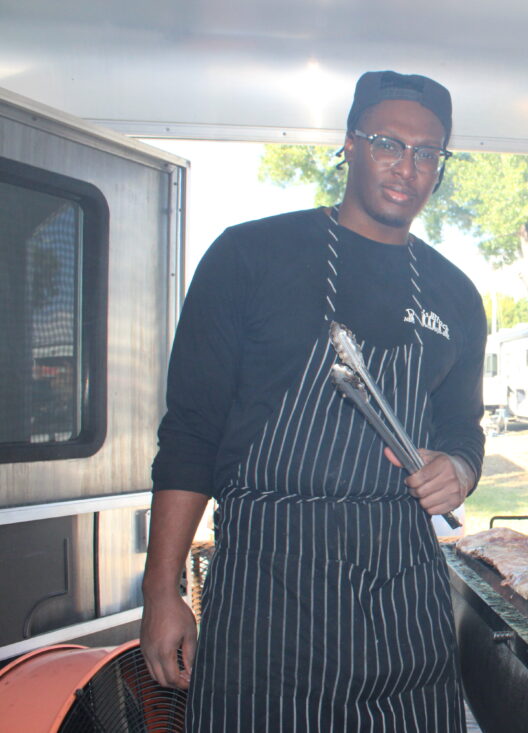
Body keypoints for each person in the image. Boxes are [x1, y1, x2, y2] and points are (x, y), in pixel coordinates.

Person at [140, 70, 485, 731]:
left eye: (427, 152)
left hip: (401, 590)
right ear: (349, 143)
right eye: (388, 143)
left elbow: (463, 430)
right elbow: (190, 433)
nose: (407, 166)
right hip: (268, 585)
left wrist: (460, 469)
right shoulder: (250, 256)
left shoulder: (456, 294)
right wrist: (161, 589)